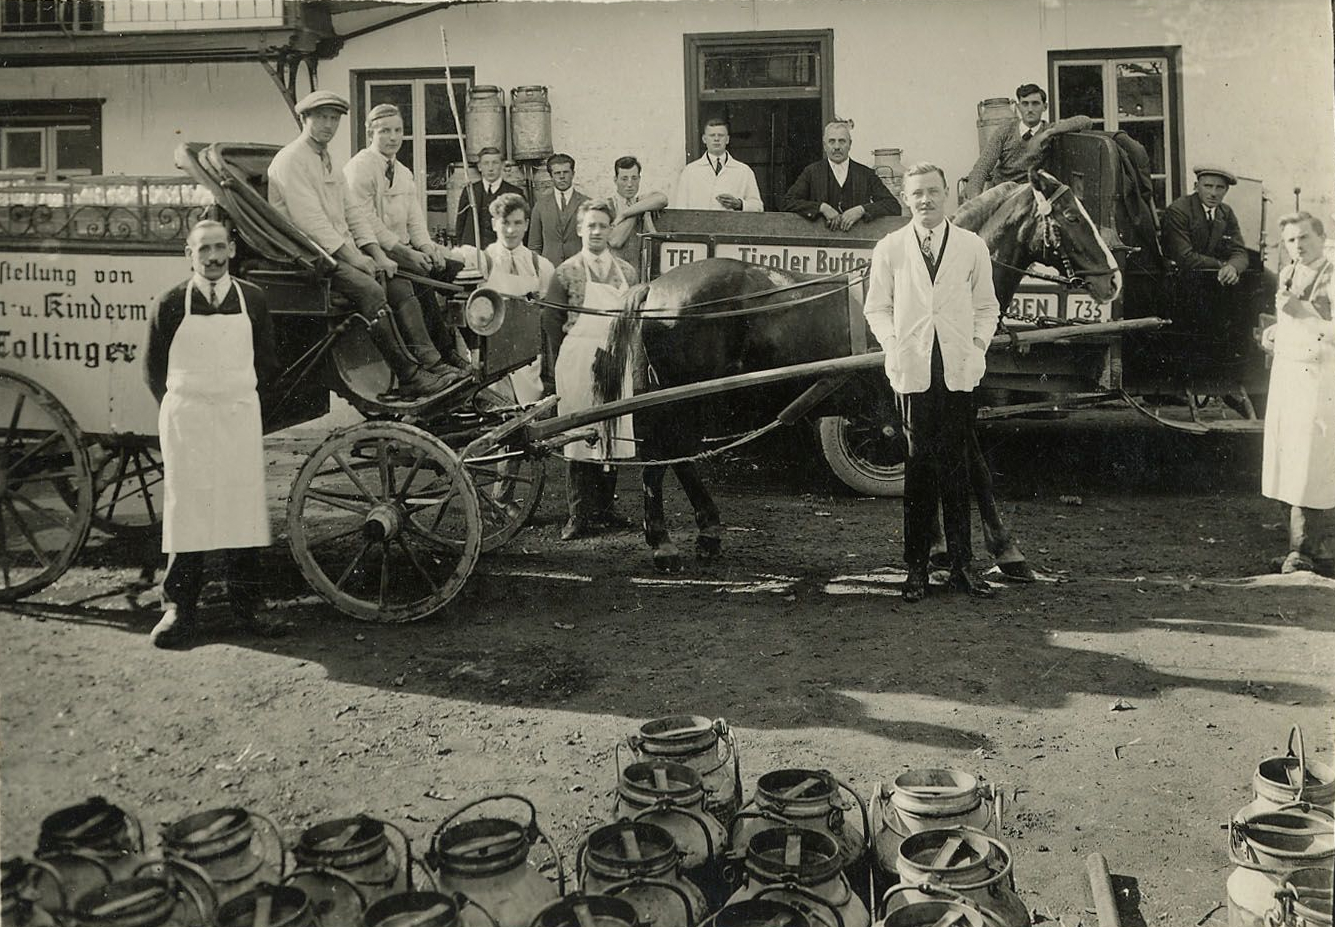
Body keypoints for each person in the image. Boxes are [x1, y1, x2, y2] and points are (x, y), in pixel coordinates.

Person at [142, 220, 284, 647]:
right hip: (189, 418)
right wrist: (186, 406)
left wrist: (235, 398)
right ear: (190, 254)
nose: (213, 257)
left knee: (243, 508)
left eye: (220, 247)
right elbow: (153, 371)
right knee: (189, 508)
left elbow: (268, 363)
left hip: (237, 414)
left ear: (233, 250)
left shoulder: (253, 300)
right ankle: (179, 610)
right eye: (203, 249)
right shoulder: (169, 302)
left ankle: (249, 608)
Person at [862, 163, 1000, 602]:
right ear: (906, 198)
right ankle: (917, 569)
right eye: (917, 193)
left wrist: (977, 347)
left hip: (958, 368)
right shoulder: (891, 248)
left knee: (958, 467)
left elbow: (987, 307)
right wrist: (892, 344)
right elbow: (876, 308)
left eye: (933, 192)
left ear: (947, 196)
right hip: (912, 371)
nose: (926, 200)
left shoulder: (971, 246)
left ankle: (962, 566)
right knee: (918, 470)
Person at [267, 90, 458, 398]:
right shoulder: (292, 160)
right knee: (371, 289)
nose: (329, 125)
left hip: (336, 255)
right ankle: (409, 376)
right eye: (322, 118)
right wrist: (354, 259)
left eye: (334, 119)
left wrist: (374, 254)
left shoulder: (326, 159)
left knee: (399, 286)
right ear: (304, 119)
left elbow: (353, 213)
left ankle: (432, 363)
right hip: (309, 259)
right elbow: (311, 223)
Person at [541, 199, 638, 540]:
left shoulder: (627, 272)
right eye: (590, 226)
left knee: (611, 432)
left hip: (615, 358)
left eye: (602, 225)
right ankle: (578, 515)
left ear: (611, 230)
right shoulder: (565, 272)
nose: (596, 231)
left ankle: (606, 509)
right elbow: (551, 319)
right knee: (579, 436)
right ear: (580, 230)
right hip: (579, 358)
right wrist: (568, 355)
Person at [344, 102, 469, 363]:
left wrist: (427, 248)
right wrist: (406, 253)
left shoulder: (403, 172)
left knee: (462, 274)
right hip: (373, 252)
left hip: (403, 250)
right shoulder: (359, 168)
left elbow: (414, 218)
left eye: (398, 130)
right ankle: (442, 356)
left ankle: (473, 354)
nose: (393, 137)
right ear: (370, 134)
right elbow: (365, 220)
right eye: (385, 131)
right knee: (420, 277)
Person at [1260, 211, 1335, 576]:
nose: (1298, 246)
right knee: (1289, 461)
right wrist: (1275, 331)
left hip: (1321, 382)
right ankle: (1307, 547)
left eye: (1304, 237)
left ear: (1321, 237)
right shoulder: (1289, 273)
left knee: (1312, 463)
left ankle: (1304, 552)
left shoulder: (1332, 276)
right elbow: (1290, 319)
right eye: (1291, 240)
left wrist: (1300, 312)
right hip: (1290, 377)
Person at [456, 192, 556, 404]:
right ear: (494, 224)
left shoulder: (542, 266)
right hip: (491, 359)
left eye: (517, 223)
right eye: (505, 223)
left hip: (528, 362)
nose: (511, 230)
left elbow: (548, 316)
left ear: (527, 224)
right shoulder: (481, 261)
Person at [964, 84, 1094, 199]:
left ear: (1045, 106)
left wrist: (1049, 132)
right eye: (1025, 104)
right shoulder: (1005, 131)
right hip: (1004, 195)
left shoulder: (1050, 131)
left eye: (1035, 103)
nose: (1030, 109)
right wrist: (975, 199)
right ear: (1019, 107)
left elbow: (1085, 121)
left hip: (1034, 196)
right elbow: (981, 168)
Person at [783, 119, 901, 229]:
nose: (837, 147)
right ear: (825, 146)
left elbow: (893, 206)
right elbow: (788, 202)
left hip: (856, 241)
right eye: (832, 141)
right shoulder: (812, 172)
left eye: (842, 141)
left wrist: (862, 210)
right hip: (821, 241)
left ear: (850, 144)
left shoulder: (866, 174)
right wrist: (821, 207)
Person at [1161, 165, 1250, 286]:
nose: (1213, 193)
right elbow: (1184, 257)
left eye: (1220, 187)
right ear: (1196, 187)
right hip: (1181, 281)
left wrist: (1233, 267)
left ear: (1226, 190)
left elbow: (1239, 250)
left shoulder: (1226, 212)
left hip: (1214, 279)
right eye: (1208, 186)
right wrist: (1222, 265)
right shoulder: (1179, 210)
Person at [673, 117, 763, 211]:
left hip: (732, 225)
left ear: (727, 139)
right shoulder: (690, 171)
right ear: (704, 139)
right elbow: (680, 209)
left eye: (721, 135)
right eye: (712, 135)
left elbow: (758, 207)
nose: (716, 139)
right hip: (699, 225)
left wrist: (739, 204)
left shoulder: (744, 171)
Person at [607, 155, 669, 274]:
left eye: (634, 178)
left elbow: (662, 199)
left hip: (640, 273)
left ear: (639, 179)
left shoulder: (641, 201)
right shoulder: (607, 206)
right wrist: (637, 211)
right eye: (624, 179)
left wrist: (625, 214)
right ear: (615, 180)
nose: (630, 184)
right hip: (616, 275)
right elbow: (615, 241)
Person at [456, 146, 525, 249]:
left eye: (495, 163)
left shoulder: (514, 193)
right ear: (479, 167)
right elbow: (460, 224)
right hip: (475, 252)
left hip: (503, 251)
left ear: (502, 165)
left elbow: (522, 227)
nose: (490, 168)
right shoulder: (470, 191)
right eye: (486, 163)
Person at [528, 152, 589, 267]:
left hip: (579, 267)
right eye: (557, 173)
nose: (561, 177)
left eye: (565, 172)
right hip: (550, 269)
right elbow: (534, 246)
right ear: (551, 176)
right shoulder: (540, 206)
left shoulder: (586, 204)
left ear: (573, 174)